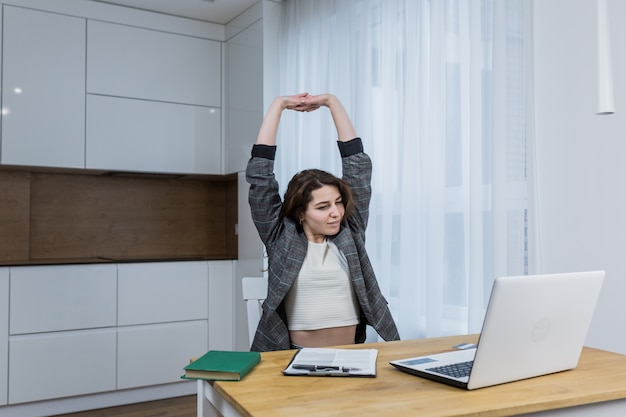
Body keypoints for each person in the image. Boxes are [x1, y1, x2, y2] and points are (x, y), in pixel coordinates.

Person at [246, 92, 400, 352]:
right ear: (300, 213)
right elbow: (260, 176)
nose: (336, 212)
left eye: (338, 202)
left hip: (353, 355)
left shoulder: (350, 230)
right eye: (322, 206)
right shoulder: (279, 236)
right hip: (293, 357)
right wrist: (278, 105)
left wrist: (331, 102)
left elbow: (358, 168)